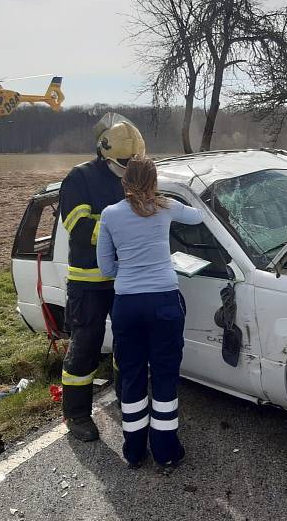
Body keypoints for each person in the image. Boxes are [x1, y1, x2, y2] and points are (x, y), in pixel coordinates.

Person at [96, 156, 203, 469]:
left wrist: (128, 273)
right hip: (164, 301)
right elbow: (197, 216)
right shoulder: (165, 207)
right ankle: (166, 450)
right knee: (166, 374)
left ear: (125, 181)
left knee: (131, 376)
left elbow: (105, 267)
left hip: (127, 305)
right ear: (153, 182)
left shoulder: (110, 214)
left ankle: (134, 451)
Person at [58, 112, 145, 442]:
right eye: (124, 162)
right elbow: (77, 229)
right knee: (85, 347)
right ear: (105, 153)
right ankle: (77, 414)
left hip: (124, 279)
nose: (129, 169)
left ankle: (128, 401)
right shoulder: (79, 178)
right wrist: (120, 231)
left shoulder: (131, 176)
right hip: (88, 282)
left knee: (127, 343)